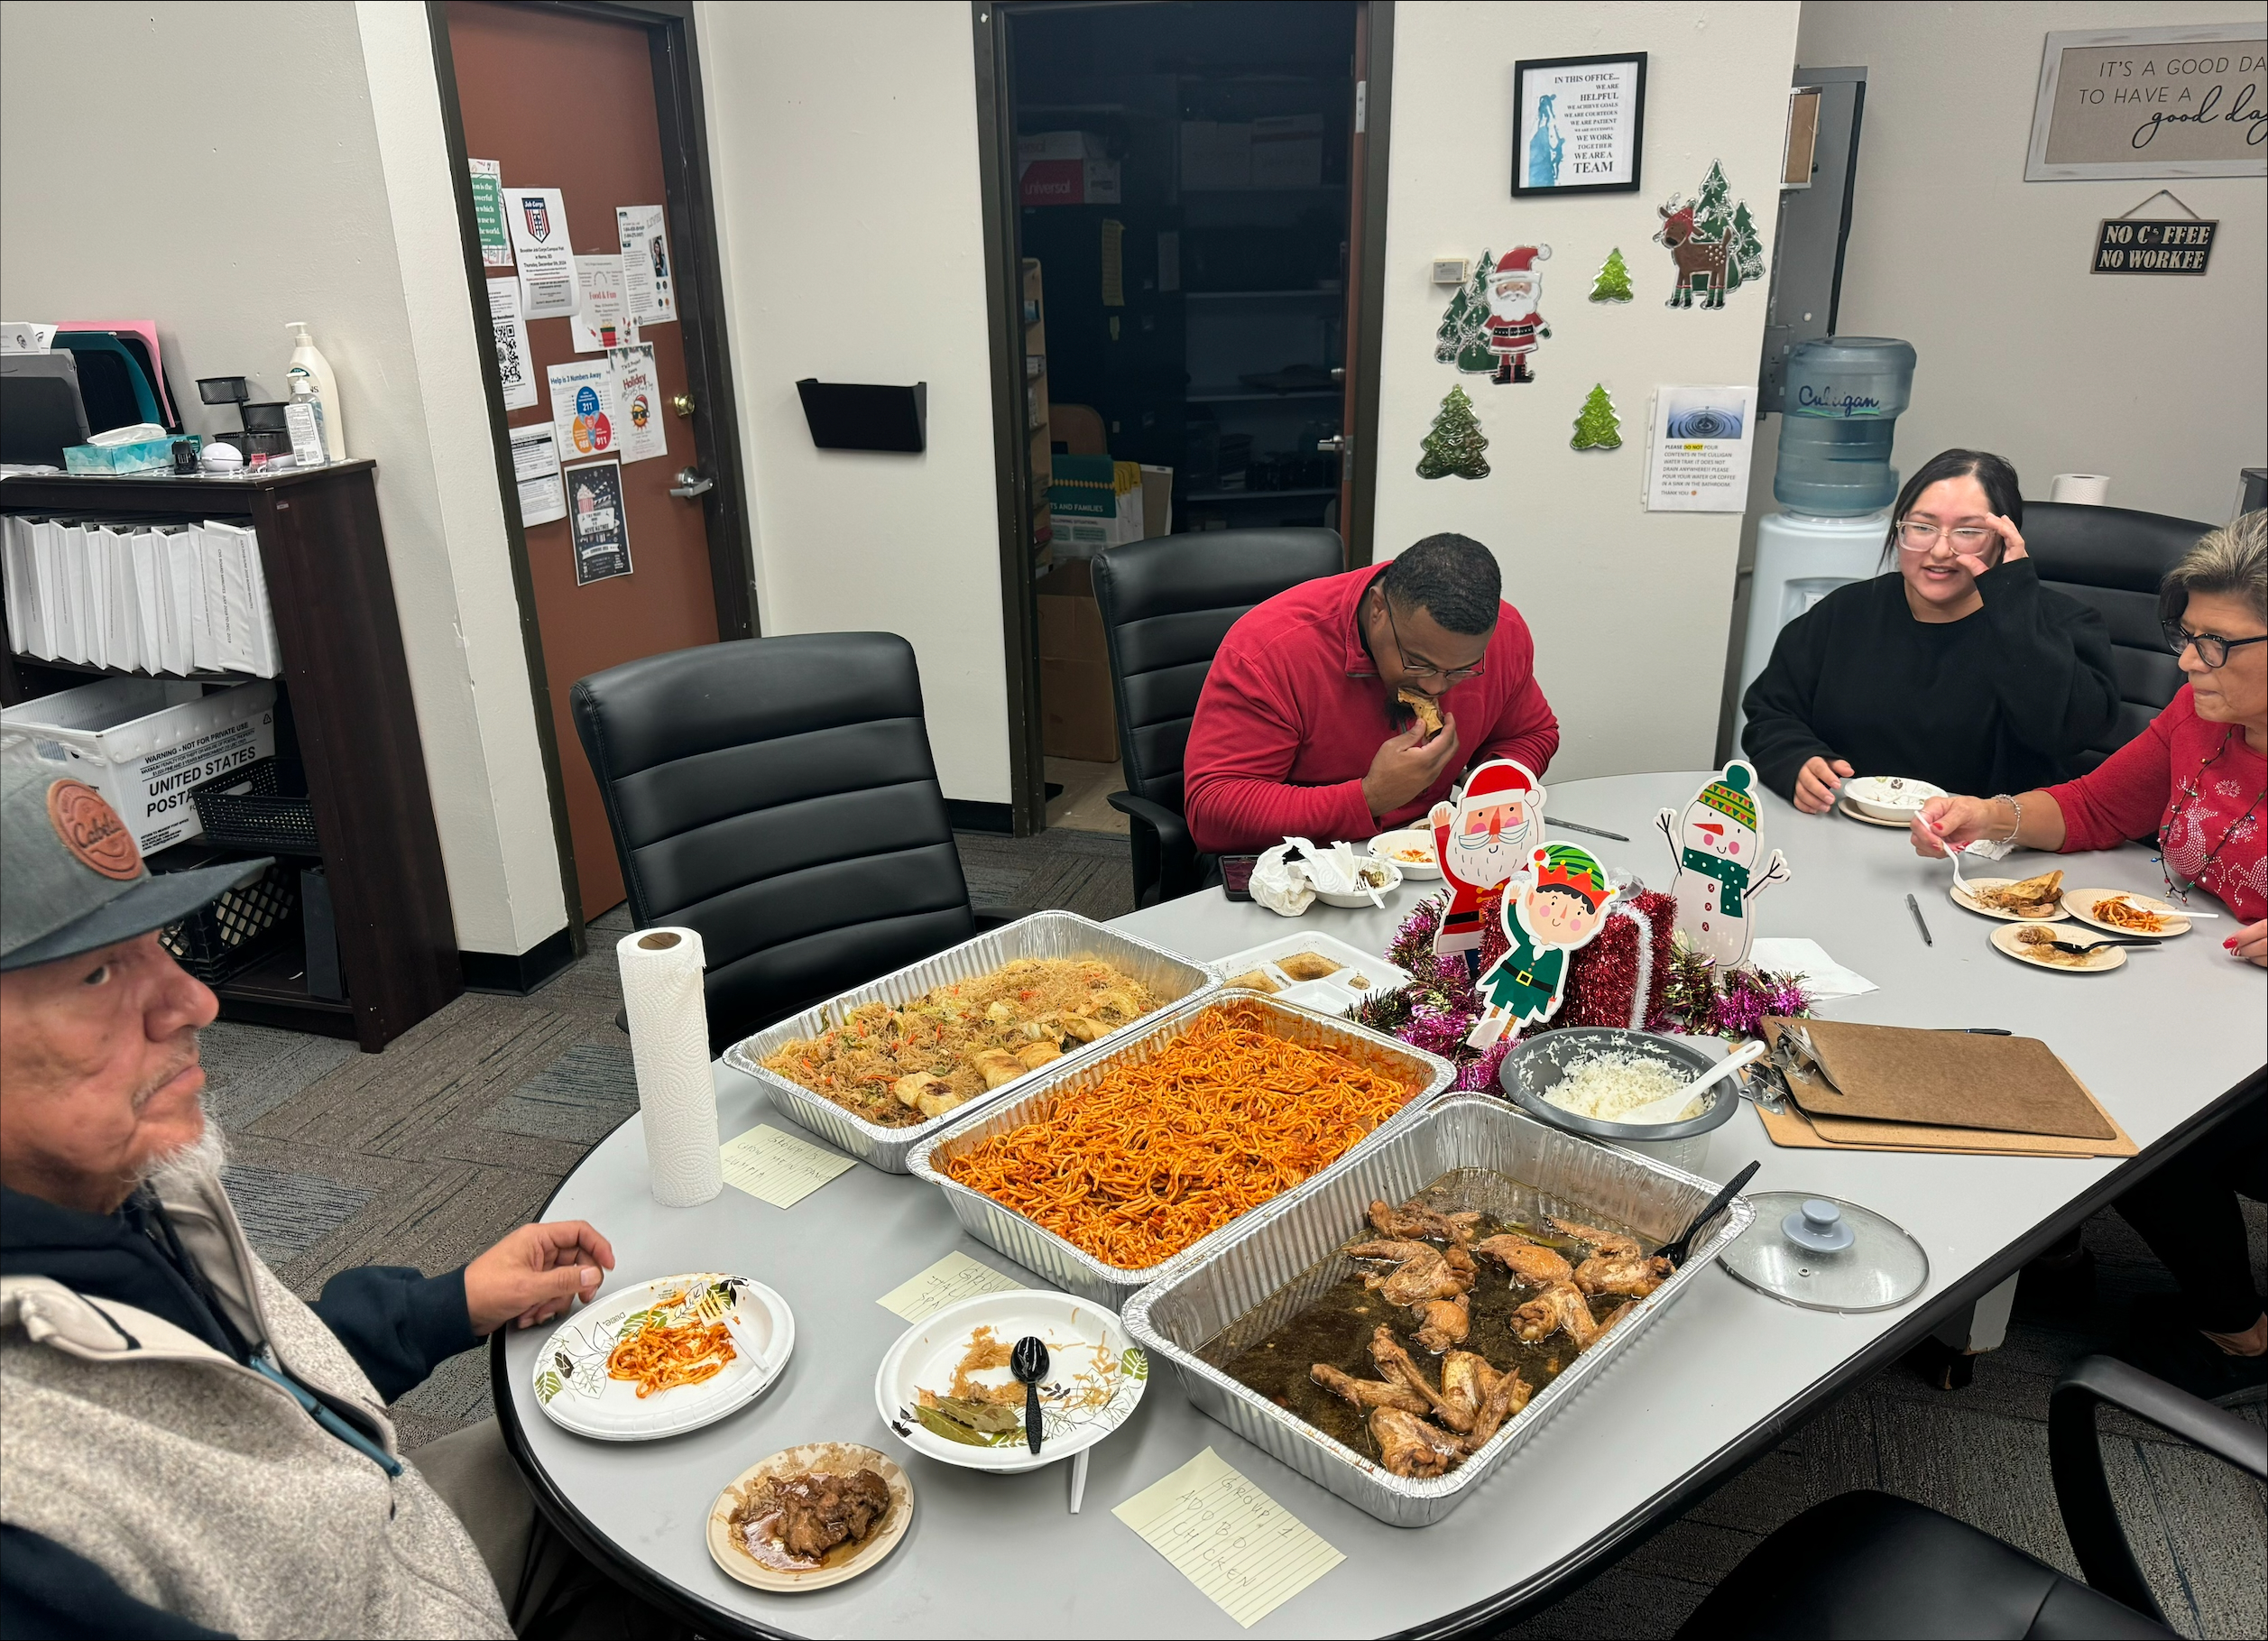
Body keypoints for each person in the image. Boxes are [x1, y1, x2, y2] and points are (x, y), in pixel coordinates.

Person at [0, 742, 623, 1638]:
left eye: (158, 945)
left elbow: (239, 1397)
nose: (194, 1003)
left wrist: (448, 1305)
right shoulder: (26, 1527)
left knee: (666, 1452)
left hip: (396, 1537)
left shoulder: (115, 1183)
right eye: (97, 974)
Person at [1911, 512, 2266, 1400]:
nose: (2187, 664)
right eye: (2185, 638)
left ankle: (2242, 1338)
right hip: (2203, 994)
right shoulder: (2199, 714)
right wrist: (1989, 815)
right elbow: (2099, 808)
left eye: (2215, 645)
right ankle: (2048, 1236)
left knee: (2141, 1117)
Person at [1742, 448, 2117, 815]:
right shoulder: (1844, 612)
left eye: (1968, 532)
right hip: (1846, 830)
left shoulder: (2064, 624)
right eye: (1922, 527)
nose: (1940, 551)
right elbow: (1771, 712)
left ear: (2005, 538)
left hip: (1987, 854)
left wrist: (2014, 605)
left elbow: (2066, 734)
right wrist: (1797, 759)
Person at [1182, 532, 1559, 855]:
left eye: (1462, 670)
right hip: (1300, 867)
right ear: (1378, 609)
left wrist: (1492, 787)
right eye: (1417, 662)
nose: (1435, 687)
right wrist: (1370, 797)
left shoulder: (1505, 635)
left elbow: (1531, 734)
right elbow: (1213, 810)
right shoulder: (1271, 651)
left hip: (1436, 858)